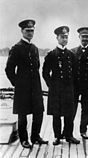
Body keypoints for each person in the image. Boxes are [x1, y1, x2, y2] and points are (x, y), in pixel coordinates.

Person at [5, 19, 48, 148]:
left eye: (32, 31)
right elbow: (9, 69)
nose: (30, 33)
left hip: (35, 87)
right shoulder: (16, 48)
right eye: (27, 31)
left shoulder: (34, 48)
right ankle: (24, 139)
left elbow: (37, 66)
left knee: (38, 112)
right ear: (22, 31)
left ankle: (35, 137)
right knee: (22, 114)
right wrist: (17, 84)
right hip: (22, 88)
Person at [42, 26, 80, 145]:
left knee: (69, 114)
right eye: (62, 37)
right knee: (56, 115)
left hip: (68, 89)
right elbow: (45, 73)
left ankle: (69, 135)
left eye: (66, 37)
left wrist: (72, 86)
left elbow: (75, 72)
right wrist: (51, 85)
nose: (64, 39)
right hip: (56, 90)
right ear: (57, 38)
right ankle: (57, 136)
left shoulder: (71, 55)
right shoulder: (51, 55)